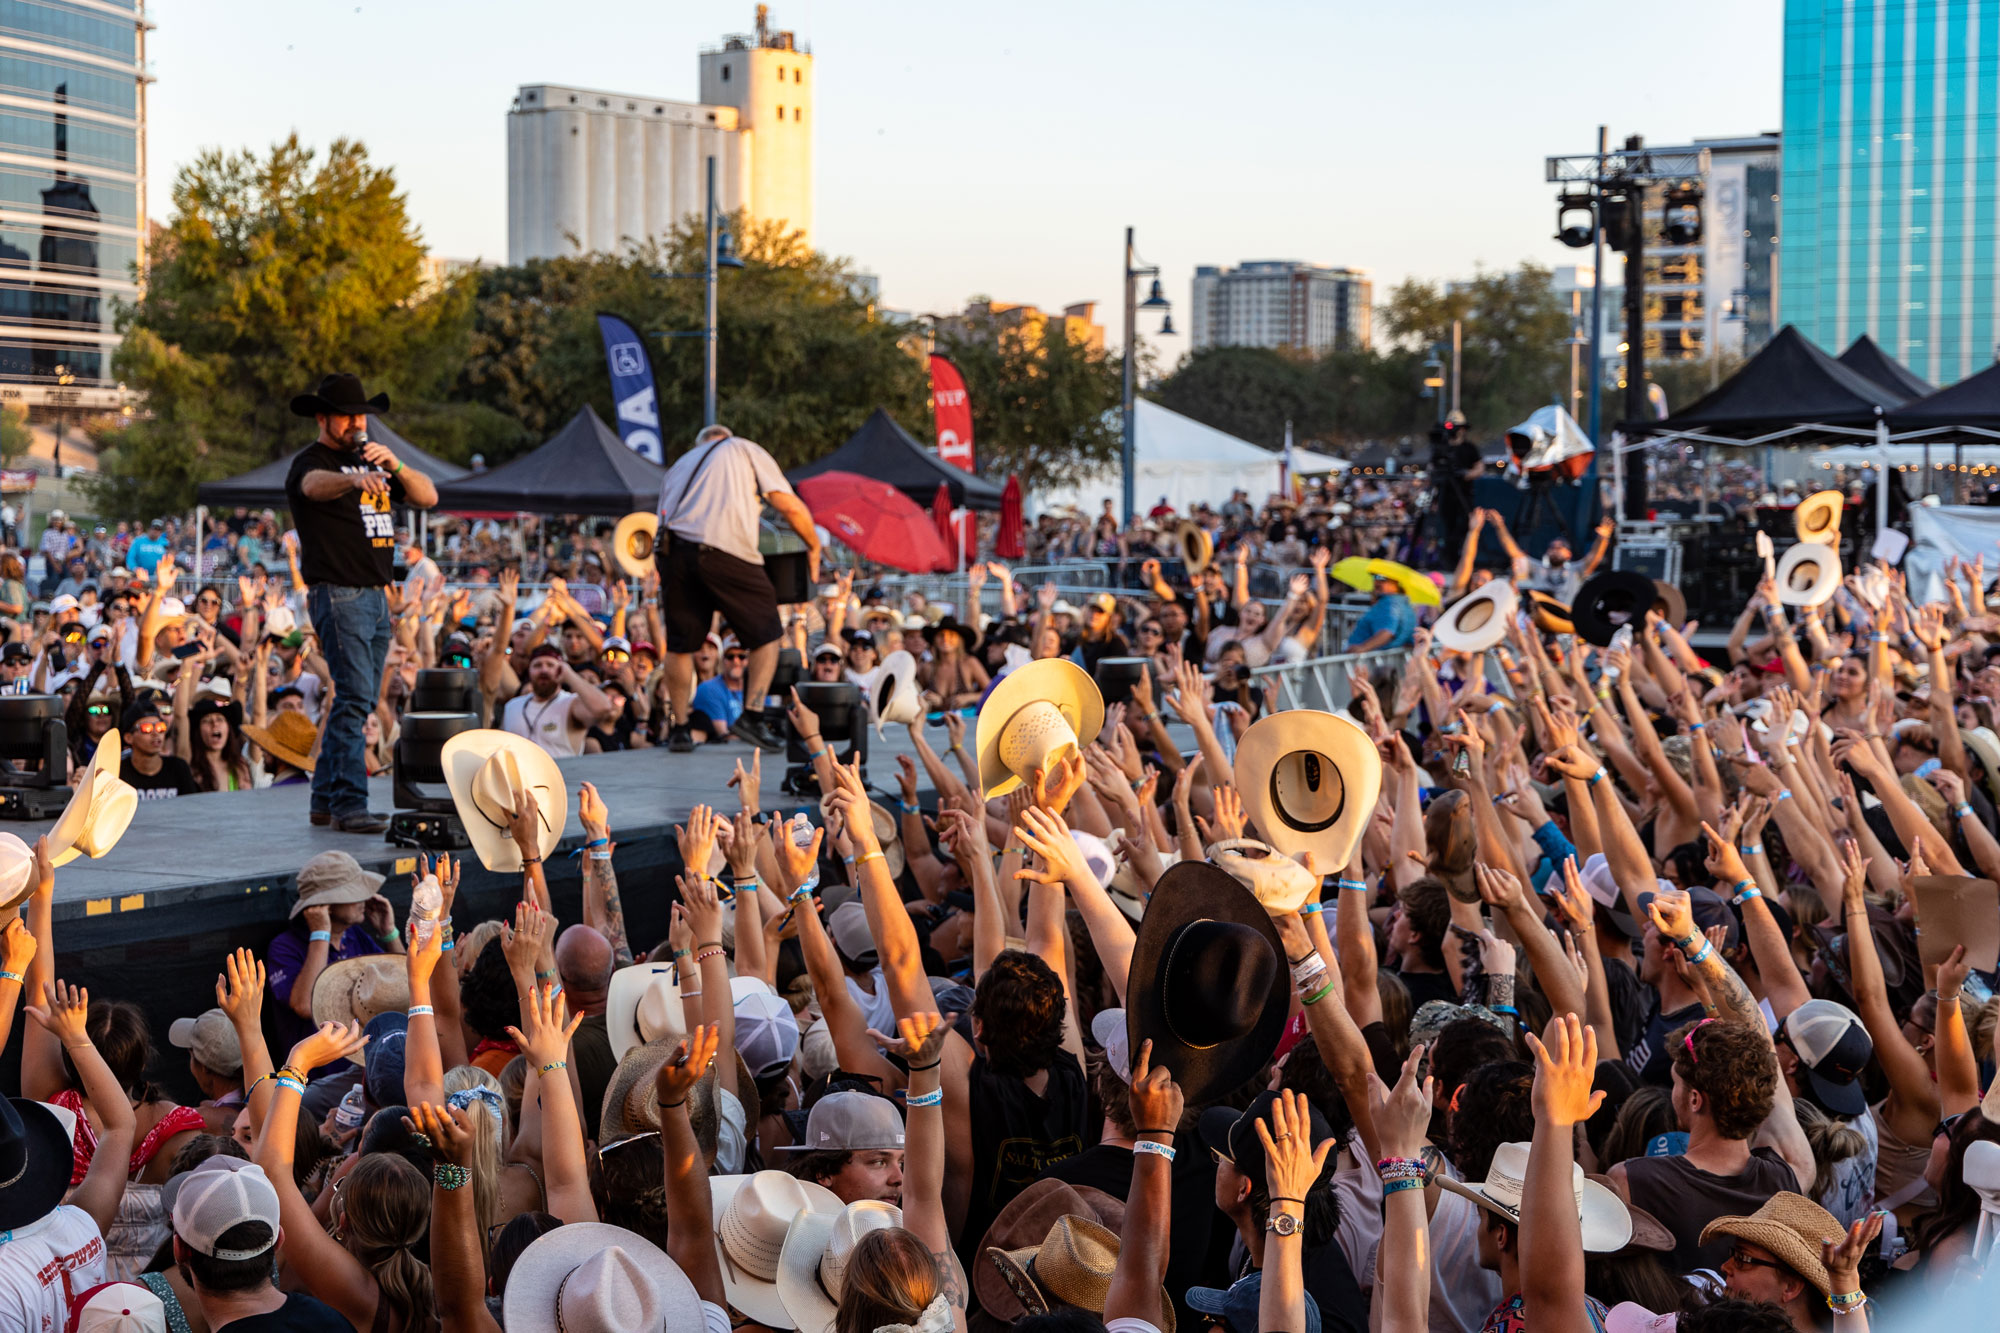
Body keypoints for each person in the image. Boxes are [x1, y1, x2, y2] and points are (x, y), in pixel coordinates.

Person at [283, 372, 438, 833]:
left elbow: (429, 496)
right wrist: (353, 482)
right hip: (340, 591)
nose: (356, 424)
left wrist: (397, 467)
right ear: (323, 418)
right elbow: (310, 487)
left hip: (375, 596)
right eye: (348, 416)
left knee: (359, 699)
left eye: (361, 416)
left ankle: (324, 801)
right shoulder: (312, 462)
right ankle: (350, 804)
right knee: (353, 700)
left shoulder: (373, 458)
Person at [654, 423, 820, 753]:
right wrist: (813, 545)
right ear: (724, 439)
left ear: (700, 444)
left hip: (673, 553)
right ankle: (753, 716)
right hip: (724, 550)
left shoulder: (680, 465)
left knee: (680, 644)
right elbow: (787, 503)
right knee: (768, 633)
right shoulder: (742, 448)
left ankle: (680, 729)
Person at [498, 643, 611, 759]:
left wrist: (570, 675)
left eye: (550, 665)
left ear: (561, 669)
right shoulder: (512, 706)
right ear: (529, 671)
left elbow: (604, 707)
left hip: (563, 775)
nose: (544, 670)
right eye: (537, 665)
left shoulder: (570, 703)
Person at [119, 700, 198, 799]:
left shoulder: (179, 769)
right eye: (147, 729)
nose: (156, 733)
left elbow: (191, 809)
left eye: (160, 727)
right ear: (128, 738)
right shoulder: (118, 773)